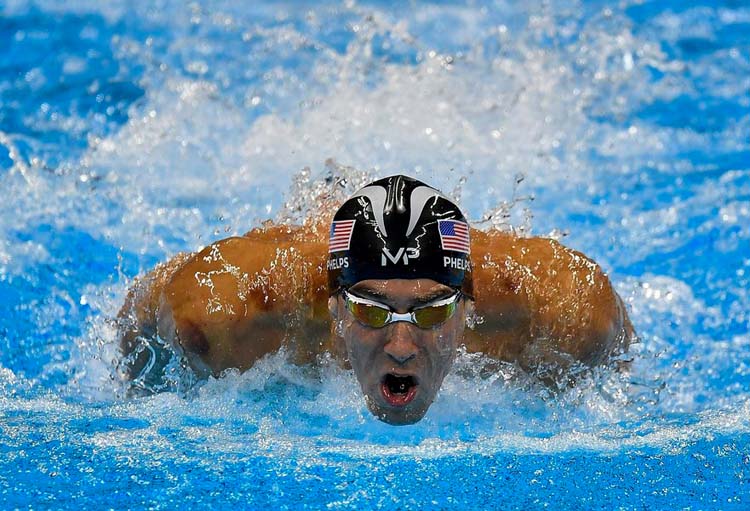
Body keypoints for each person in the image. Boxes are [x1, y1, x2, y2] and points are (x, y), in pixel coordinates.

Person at [118, 175, 634, 425]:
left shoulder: (563, 313)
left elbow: (621, 373)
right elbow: (138, 319)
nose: (403, 346)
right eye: (370, 309)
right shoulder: (228, 315)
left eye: (432, 311)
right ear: (335, 304)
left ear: (469, 306)